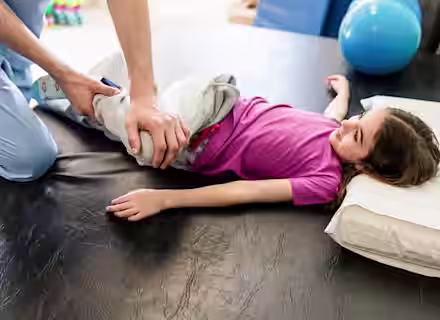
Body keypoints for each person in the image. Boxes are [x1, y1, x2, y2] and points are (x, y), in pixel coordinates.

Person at [104, 74, 440, 221]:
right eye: (361, 117)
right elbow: (335, 117)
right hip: (219, 99)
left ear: (367, 167)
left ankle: (95, 94)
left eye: (359, 136)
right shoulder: (337, 130)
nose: (349, 124)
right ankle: (100, 97)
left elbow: (246, 191)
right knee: (136, 116)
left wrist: (164, 199)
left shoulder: (324, 181)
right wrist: (344, 94)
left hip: (195, 140)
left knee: (140, 134)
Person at [0, 0, 187, 181]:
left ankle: (48, 92)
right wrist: (65, 75)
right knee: (29, 157)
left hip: (16, 56)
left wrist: (143, 97)